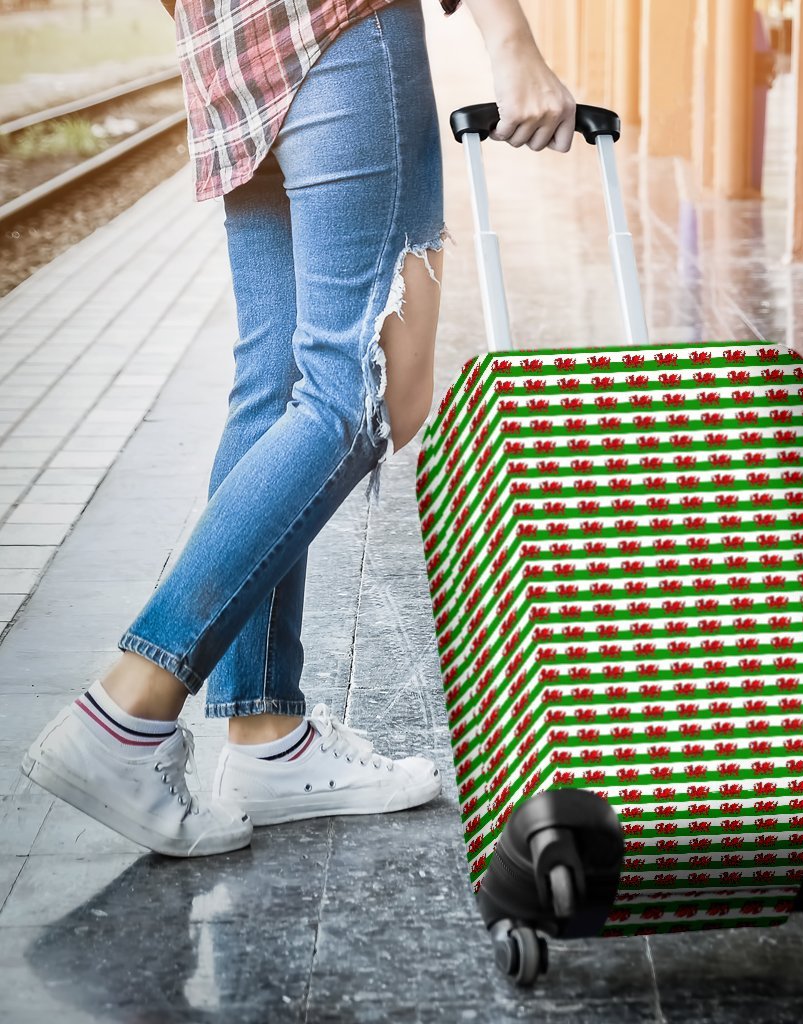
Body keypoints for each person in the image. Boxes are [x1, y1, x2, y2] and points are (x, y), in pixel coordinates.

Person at [21, 0, 576, 857]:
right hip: (341, 28)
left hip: (228, 51)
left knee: (276, 385)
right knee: (360, 391)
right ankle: (127, 711)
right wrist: (512, 43)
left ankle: (265, 735)